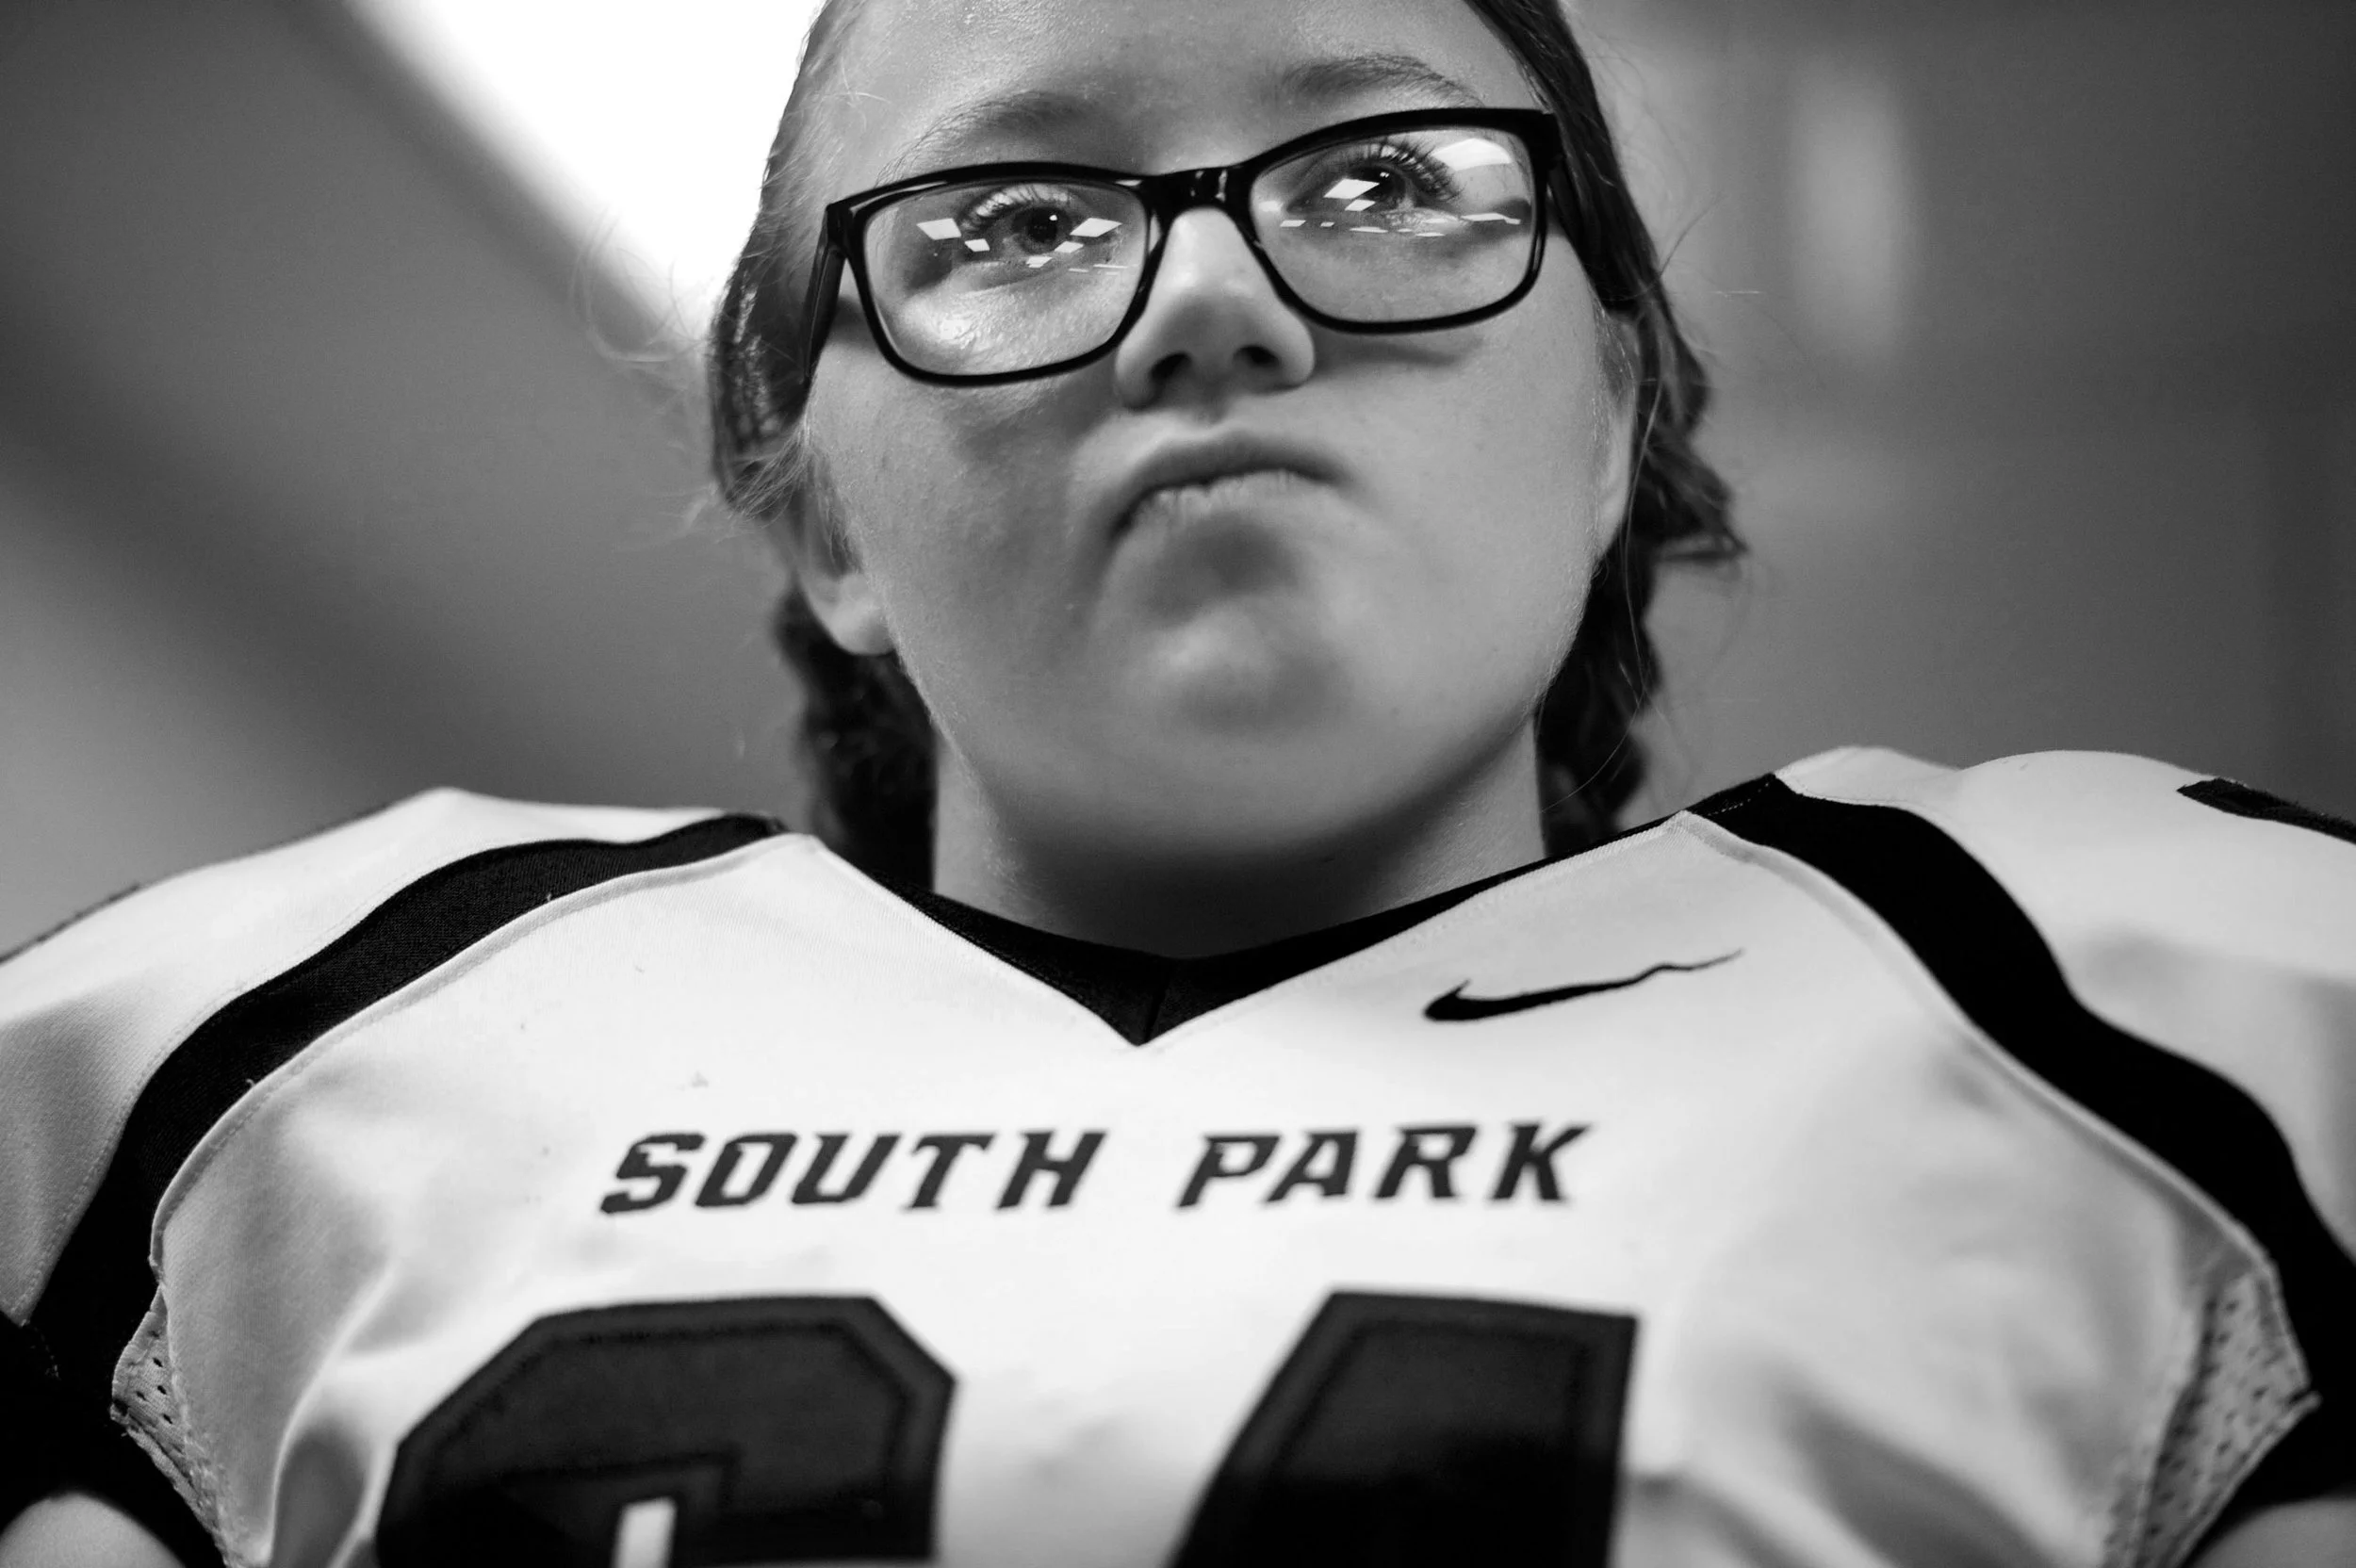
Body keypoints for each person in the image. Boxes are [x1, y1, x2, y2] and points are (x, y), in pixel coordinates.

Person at [2, 0, 2350, 1562]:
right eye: (1013, 225)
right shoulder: (254, 1075)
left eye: (1386, 182)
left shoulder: (2151, 1020)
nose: (1208, 305)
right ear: (816, 512)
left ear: (1617, 408)